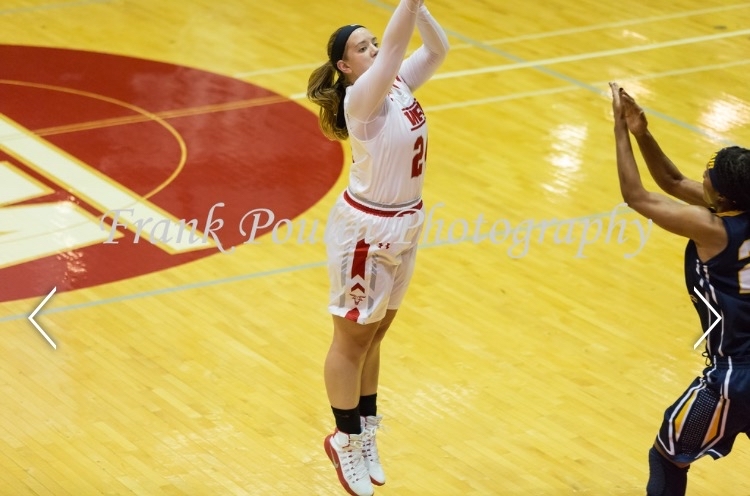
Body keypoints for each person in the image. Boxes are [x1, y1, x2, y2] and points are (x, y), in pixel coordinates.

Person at [306, 1, 448, 495]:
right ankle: (343, 439)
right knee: (351, 340)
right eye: (361, 48)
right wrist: (407, 4)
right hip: (367, 232)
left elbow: (437, 49)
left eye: (372, 42)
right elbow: (393, 49)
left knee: (376, 333)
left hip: (406, 223)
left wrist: (419, 10)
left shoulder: (397, 83)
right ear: (345, 67)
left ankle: (364, 430)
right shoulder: (360, 99)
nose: (372, 49)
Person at [610, 81, 750, 496]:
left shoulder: (713, 229)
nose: (702, 174)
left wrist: (619, 128)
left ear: (721, 195)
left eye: (709, 174)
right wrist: (643, 132)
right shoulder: (732, 208)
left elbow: (637, 196)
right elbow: (672, 180)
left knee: (668, 457)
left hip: (734, 376)